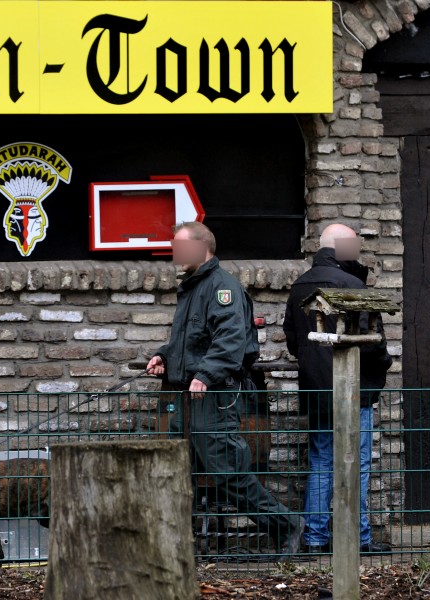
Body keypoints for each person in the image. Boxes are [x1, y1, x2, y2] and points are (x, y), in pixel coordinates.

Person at [146, 221, 305, 559]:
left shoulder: (223, 289)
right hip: (186, 397)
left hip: (212, 397)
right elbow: (189, 341)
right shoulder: (193, 287)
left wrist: (205, 374)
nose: (175, 254)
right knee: (175, 469)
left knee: (228, 473)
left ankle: (286, 523)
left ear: (203, 248)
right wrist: (164, 355)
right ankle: (175, 548)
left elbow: (230, 340)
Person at [283, 223, 393, 555]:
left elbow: (293, 342)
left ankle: (315, 539)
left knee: (320, 460)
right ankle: (355, 538)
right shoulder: (353, 284)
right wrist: (383, 364)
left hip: (316, 389)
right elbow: (372, 342)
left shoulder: (300, 286)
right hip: (353, 387)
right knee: (355, 462)